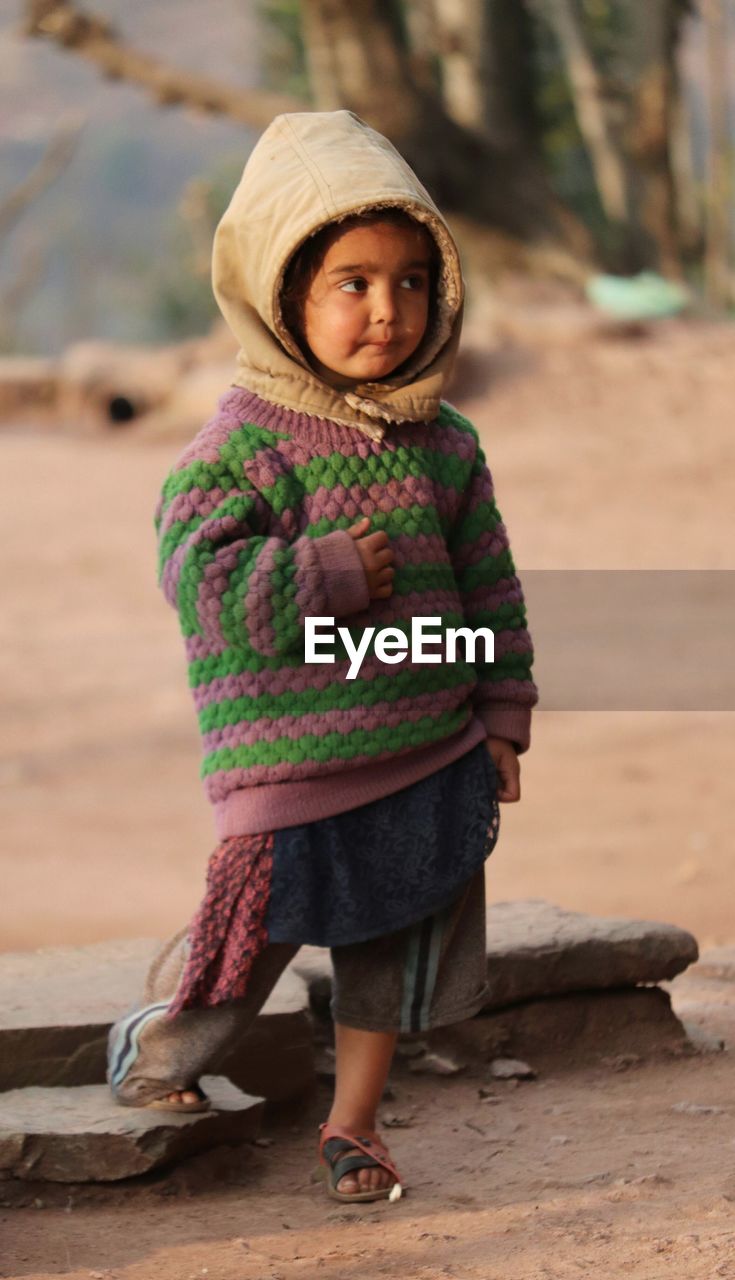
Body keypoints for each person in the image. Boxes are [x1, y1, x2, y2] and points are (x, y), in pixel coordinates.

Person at [106, 109, 538, 1204]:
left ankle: (354, 1125)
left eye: (407, 281)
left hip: (425, 746)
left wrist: (498, 714)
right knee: (247, 942)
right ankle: (161, 1051)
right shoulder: (241, 446)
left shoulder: (445, 443)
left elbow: (488, 587)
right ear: (281, 291)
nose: (385, 311)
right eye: (350, 281)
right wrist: (326, 573)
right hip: (293, 762)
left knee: (392, 943)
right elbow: (201, 585)